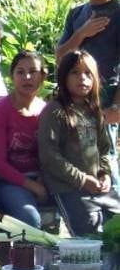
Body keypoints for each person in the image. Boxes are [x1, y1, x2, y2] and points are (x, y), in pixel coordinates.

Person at [38, 50, 120, 235]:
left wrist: (104, 174)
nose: (82, 78)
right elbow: (49, 156)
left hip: (98, 188)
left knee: (116, 234)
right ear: (63, 76)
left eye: (87, 73)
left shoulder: (94, 111)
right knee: (91, 241)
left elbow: (104, 150)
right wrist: (82, 179)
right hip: (70, 189)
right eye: (75, 72)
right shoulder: (55, 111)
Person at [56, 0, 120, 189]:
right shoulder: (76, 14)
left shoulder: (117, 13)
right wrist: (81, 33)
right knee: (74, 160)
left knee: (105, 161)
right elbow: (60, 55)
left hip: (103, 97)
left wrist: (116, 105)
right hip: (72, 99)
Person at [0, 50, 48, 229]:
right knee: (31, 219)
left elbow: (51, 154)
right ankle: (23, 257)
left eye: (33, 71)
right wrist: (34, 187)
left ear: (42, 76)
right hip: (6, 180)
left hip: (41, 178)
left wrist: (42, 181)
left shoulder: (46, 110)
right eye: (20, 72)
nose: (27, 77)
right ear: (12, 77)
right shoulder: (0, 111)